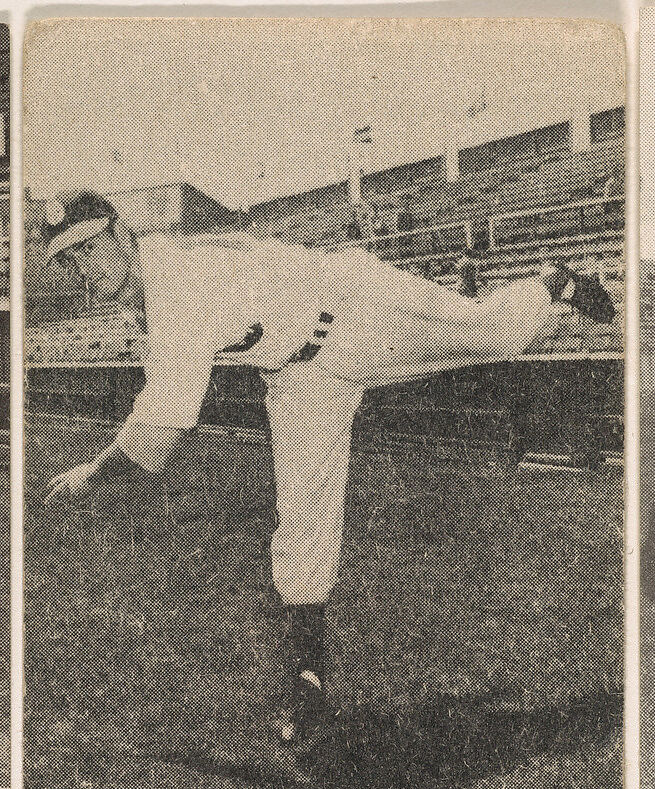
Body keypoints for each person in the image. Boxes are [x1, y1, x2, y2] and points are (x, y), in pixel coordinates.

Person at [42, 191, 615, 745]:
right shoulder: (150, 295)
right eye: (69, 257)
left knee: (499, 333)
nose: (83, 265)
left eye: (89, 245)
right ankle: (307, 684)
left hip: (355, 308)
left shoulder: (175, 285)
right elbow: (157, 420)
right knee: (303, 525)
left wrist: (91, 473)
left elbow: (155, 444)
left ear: (118, 234)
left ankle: (554, 281)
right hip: (298, 377)